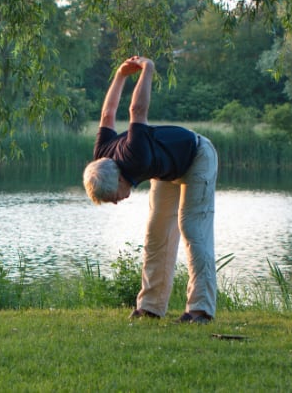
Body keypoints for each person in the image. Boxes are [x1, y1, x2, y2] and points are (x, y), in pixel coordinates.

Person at [83, 56, 218, 324]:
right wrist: (120, 75)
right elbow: (107, 114)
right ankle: (150, 306)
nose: (117, 202)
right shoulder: (102, 156)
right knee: (156, 234)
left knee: (192, 228)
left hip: (197, 157)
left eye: (113, 198)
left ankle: (201, 310)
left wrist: (147, 69)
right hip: (167, 169)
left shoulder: (134, 155)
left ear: (120, 179)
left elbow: (137, 110)